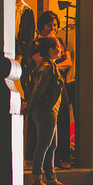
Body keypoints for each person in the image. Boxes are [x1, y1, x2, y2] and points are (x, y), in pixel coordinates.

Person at [26, 35, 68, 185]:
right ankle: (37, 178)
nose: (61, 50)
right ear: (51, 50)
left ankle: (51, 178)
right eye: (58, 47)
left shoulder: (49, 65)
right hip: (46, 110)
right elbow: (39, 90)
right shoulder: (47, 67)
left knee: (52, 145)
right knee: (44, 145)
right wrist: (30, 106)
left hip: (50, 110)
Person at [34, 11, 75, 168]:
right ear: (42, 26)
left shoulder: (59, 41)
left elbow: (69, 62)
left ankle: (62, 158)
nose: (53, 28)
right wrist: (53, 67)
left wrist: (51, 67)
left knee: (63, 118)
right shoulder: (37, 43)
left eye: (55, 25)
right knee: (47, 124)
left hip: (59, 84)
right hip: (45, 86)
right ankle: (44, 165)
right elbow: (38, 63)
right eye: (49, 25)